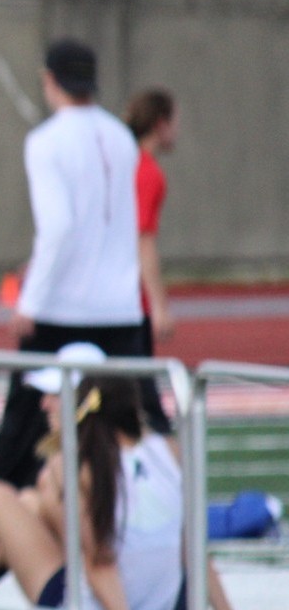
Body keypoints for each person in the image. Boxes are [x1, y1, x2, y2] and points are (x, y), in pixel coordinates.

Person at [0, 373, 267, 610]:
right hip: (168, 608)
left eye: (54, 396)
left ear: (79, 404)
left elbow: (97, 559)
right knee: (30, 504)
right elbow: (195, 551)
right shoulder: (170, 451)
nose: (44, 405)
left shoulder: (71, 465)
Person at [0, 38, 145, 492]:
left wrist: (29, 302)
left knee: (18, 441)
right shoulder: (122, 137)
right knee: (140, 431)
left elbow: (59, 228)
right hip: (122, 308)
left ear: (51, 81)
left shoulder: (46, 142)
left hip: (62, 308)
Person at [124, 87, 179, 436]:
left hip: (115, 295)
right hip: (131, 300)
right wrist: (159, 305)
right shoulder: (147, 172)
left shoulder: (126, 163)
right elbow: (142, 240)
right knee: (144, 400)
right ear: (160, 124)